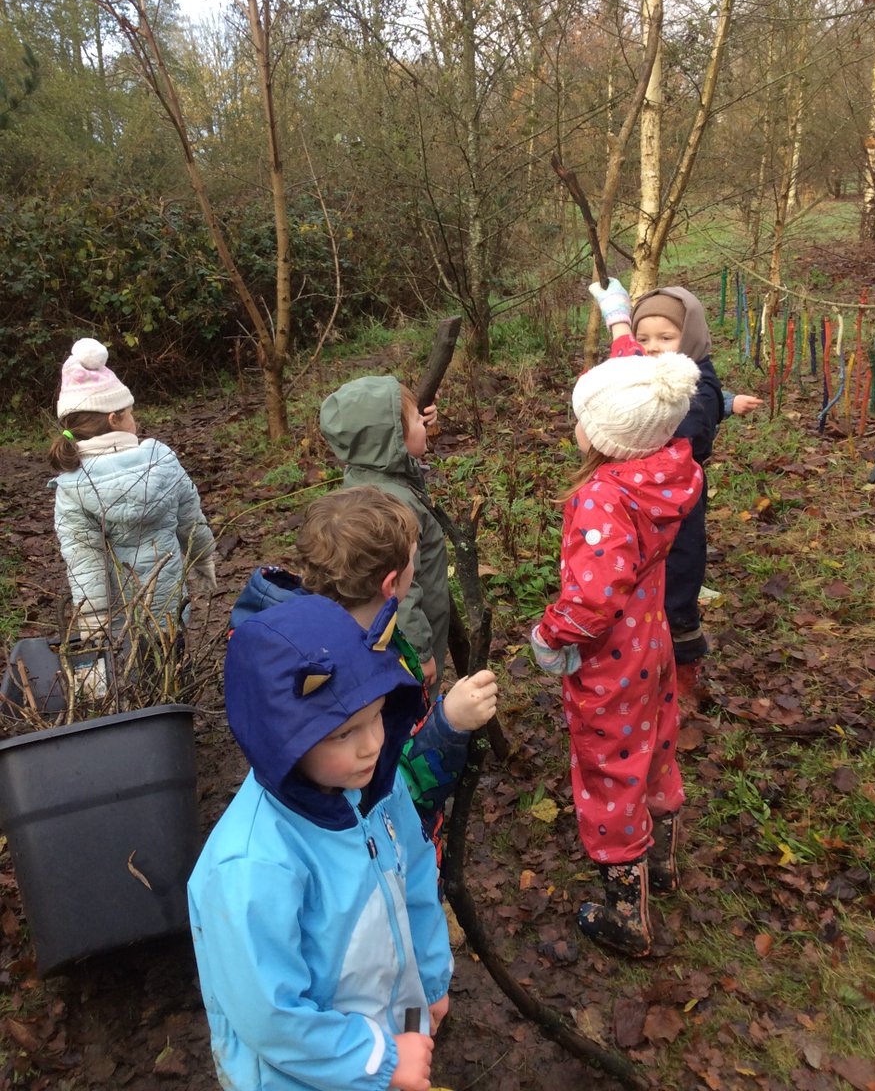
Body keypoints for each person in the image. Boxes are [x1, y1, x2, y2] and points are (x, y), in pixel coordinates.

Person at [188, 572, 456, 1090]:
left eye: (378, 716)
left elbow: (417, 879)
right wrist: (380, 1062)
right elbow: (271, 1016)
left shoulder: (379, 789)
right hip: (305, 1073)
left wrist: (428, 986)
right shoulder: (251, 865)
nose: (372, 744)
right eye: (343, 733)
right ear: (281, 739)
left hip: (390, 1035)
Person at [531, 279, 703, 957]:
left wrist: (551, 637)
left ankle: (626, 916)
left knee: (612, 769)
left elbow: (592, 600)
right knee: (654, 746)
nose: (575, 425)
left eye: (583, 418)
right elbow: (642, 390)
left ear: (604, 438)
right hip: (653, 646)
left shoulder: (603, 498)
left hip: (611, 663)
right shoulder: (666, 461)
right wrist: (618, 323)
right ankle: (663, 862)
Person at [228, 485, 498, 850]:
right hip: (378, 851)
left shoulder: (301, 642)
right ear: (391, 583)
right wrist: (448, 724)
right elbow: (380, 789)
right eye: (413, 559)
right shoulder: (341, 677)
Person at [49, 337, 215, 658]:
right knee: (169, 660)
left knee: (130, 670)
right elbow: (190, 520)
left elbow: (85, 559)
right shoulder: (162, 460)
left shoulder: (73, 486)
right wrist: (203, 558)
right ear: (114, 418)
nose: (134, 420)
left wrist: (95, 623)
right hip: (167, 604)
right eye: (130, 413)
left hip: (120, 618)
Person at [627, 287, 726, 709]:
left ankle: (685, 669)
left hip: (679, 503)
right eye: (643, 338)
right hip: (643, 500)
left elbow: (692, 430)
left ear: (690, 337)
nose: (652, 347)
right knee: (643, 578)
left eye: (665, 338)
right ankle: (647, 661)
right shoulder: (646, 373)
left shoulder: (699, 383)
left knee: (679, 577)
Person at [320, 376, 448, 693]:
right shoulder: (393, 507)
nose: (425, 424)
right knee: (416, 702)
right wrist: (420, 653)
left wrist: (415, 421)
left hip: (393, 637)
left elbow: (389, 442)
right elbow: (403, 595)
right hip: (408, 647)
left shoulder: (366, 474)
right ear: (394, 440)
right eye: (417, 421)